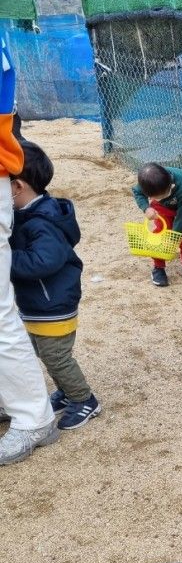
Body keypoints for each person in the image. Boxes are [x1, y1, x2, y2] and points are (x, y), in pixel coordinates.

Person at [8, 141, 100, 432]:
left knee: (57, 356)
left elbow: (42, 262)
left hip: (53, 304)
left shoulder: (42, 222)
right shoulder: (27, 214)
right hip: (37, 303)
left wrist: (5, 257)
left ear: (17, 187)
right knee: (43, 351)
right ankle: (65, 391)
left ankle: (84, 399)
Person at [0, 36, 59, 466]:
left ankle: (34, 414)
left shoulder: (46, 223)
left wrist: (16, 263)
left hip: (55, 312)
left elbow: (50, 258)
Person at [132, 163, 182, 287]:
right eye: (153, 197)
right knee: (160, 233)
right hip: (162, 208)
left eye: (161, 196)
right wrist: (146, 208)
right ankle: (158, 267)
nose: (155, 198)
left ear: (171, 186)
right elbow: (137, 193)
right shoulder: (148, 183)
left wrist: (173, 238)